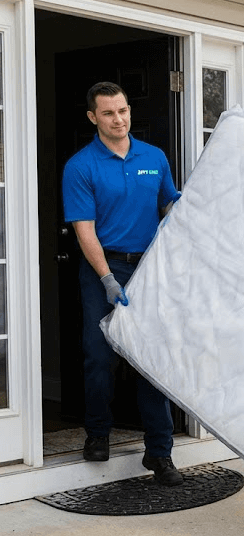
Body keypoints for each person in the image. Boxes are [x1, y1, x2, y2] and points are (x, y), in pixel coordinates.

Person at [62, 81, 183, 486]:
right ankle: (98, 434)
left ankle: (160, 452)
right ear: (93, 117)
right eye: (109, 113)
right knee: (99, 358)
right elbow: (85, 230)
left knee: (151, 359)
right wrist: (107, 278)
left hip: (150, 270)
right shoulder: (81, 166)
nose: (120, 119)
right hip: (103, 269)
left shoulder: (154, 157)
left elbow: (169, 204)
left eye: (124, 111)